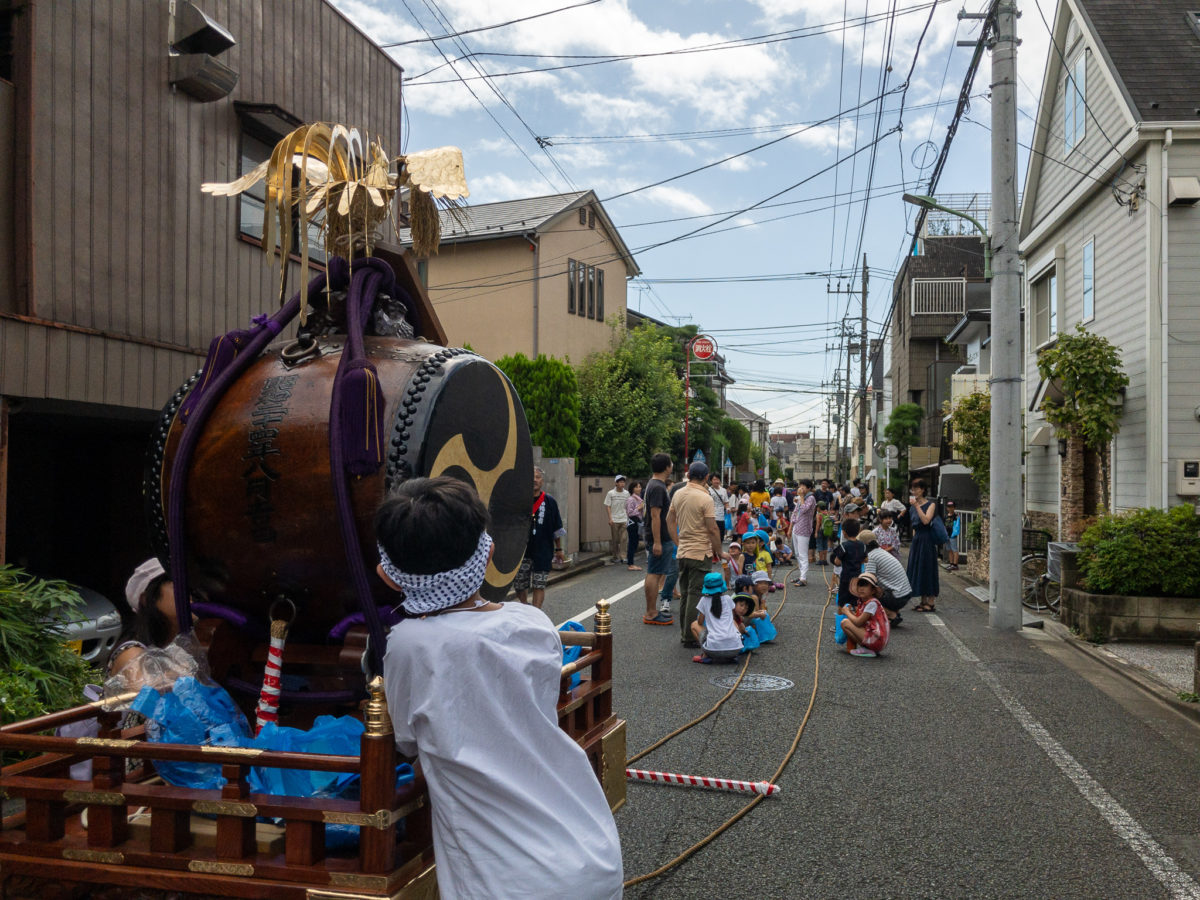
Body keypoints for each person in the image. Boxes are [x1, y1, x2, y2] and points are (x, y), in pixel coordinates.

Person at [376, 476, 623, 899]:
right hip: (590, 848)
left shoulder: (408, 645)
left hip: (506, 880)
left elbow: (406, 739)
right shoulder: (531, 622)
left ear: (389, 576)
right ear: (488, 554)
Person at [668, 461, 723, 646]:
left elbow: (669, 520)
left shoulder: (677, 493)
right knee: (695, 594)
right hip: (700, 552)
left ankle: (685, 632)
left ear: (689, 475)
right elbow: (712, 528)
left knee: (685, 593)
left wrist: (678, 542)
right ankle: (690, 636)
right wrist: (719, 551)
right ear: (706, 477)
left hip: (683, 551)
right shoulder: (705, 498)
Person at [108, 558, 185, 675]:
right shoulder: (132, 654)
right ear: (146, 599)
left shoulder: (186, 647)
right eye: (177, 585)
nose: (189, 593)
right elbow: (143, 685)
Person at [514, 467, 564, 609]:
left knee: (539, 584)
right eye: (532, 477)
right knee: (519, 584)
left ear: (542, 481)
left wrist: (559, 549)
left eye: (537, 477)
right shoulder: (519, 501)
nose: (534, 480)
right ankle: (525, 606)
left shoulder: (550, 501)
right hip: (521, 552)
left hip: (543, 551)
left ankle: (536, 612)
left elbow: (557, 527)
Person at [642, 453, 676, 626]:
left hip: (660, 536)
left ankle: (652, 611)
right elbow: (655, 515)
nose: (672, 465)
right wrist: (657, 542)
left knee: (656, 572)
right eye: (671, 463)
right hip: (659, 537)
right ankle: (651, 612)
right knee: (654, 573)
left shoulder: (655, 484)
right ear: (667, 467)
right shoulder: (657, 487)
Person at [856, 529, 913, 625]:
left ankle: (891, 615)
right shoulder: (880, 552)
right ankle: (894, 611)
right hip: (904, 593)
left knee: (866, 592)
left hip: (897, 596)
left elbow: (868, 580)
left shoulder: (871, 556)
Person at [690, 572, 744, 664]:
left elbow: (700, 622)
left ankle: (705, 655)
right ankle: (732, 656)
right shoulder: (728, 598)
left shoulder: (704, 600)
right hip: (735, 649)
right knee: (733, 622)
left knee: (694, 625)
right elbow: (732, 617)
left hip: (713, 649)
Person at [907, 478, 941, 612]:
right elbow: (914, 525)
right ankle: (923, 600)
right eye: (912, 489)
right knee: (918, 568)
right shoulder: (912, 507)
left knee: (928, 568)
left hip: (927, 539)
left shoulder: (930, 505)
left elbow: (926, 520)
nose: (914, 491)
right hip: (917, 540)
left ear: (922, 490)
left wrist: (917, 506)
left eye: (916, 488)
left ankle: (931, 602)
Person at [840, 571, 891, 658]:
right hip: (874, 638)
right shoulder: (863, 602)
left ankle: (869, 648)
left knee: (845, 623)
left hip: (877, 639)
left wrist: (847, 612)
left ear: (873, 590)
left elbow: (858, 622)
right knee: (847, 623)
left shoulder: (872, 603)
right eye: (860, 585)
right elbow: (860, 619)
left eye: (865, 585)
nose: (861, 588)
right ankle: (868, 649)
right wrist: (851, 612)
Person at [829, 518, 867, 610]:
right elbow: (866, 559)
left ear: (844, 532)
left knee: (842, 602)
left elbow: (837, 562)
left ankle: (841, 618)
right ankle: (855, 617)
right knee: (855, 601)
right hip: (857, 578)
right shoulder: (862, 545)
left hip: (846, 578)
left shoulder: (844, 546)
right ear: (858, 531)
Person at [789, 479, 816, 587]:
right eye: (800, 486)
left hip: (804, 529)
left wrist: (800, 497)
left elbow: (804, 509)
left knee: (803, 554)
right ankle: (801, 575)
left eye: (803, 486)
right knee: (797, 554)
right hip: (796, 528)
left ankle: (803, 578)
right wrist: (790, 528)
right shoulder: (802, 498)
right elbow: (795, 512)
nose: (801, 488)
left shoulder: (811, 498)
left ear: (809, 488)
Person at [603, 475, 630, 566]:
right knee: (615, 539)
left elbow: (628, 506)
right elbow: (608, 506)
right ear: (616, 483)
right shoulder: (611, 493)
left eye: (623, 482)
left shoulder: (626, 493)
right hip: (614, 519)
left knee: (624, 538)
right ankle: (615, 556)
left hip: (624, 519)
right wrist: (610, 518)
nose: (622, 484)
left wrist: (628, 517)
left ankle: (623, 556)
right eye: (621, 482)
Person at [624, 481, 645, 570]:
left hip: (638, 521)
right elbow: (630, 513)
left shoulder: (639, 498)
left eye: (639, 486)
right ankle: (630, 564)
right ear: (632, 489)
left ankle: (631, 562)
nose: (639, 488)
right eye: (636, 487)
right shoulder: (631, 499)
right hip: (632, 522)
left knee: (635, 542)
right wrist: (639, 508)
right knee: (632, 543)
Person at [708, 474, 730, 544]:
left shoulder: (723, 490)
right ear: (711, 481)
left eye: (717, 479)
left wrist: (728, 508)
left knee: (721, 535)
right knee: (712, 535)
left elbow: (726, 502)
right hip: (711, 515)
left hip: (721, 516)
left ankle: (719, 548)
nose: (716, 481)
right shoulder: (708, 490)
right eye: (714, 479)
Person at [814, 500, 834, 566]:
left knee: (820, 545)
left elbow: (818, 524)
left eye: (817, 507)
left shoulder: (818, 515)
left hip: (820, 531)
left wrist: (816, 532)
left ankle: (820, 560)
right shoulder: (827, 513)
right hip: (826, 531)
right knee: (825, 545)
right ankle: (825, 560)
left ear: (819, 508)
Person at [944, 500, 961, 571]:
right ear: (947, 508)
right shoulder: (946, 516)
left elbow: (957, 526)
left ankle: (955, 565)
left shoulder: (956, 516)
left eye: (951, 507)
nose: (950, 508)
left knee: (954, 550)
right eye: (949, 507)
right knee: (949, 550)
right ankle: (951, 564)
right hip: (946, 535)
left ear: (954, 507)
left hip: (952, 535)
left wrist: (954, 534)